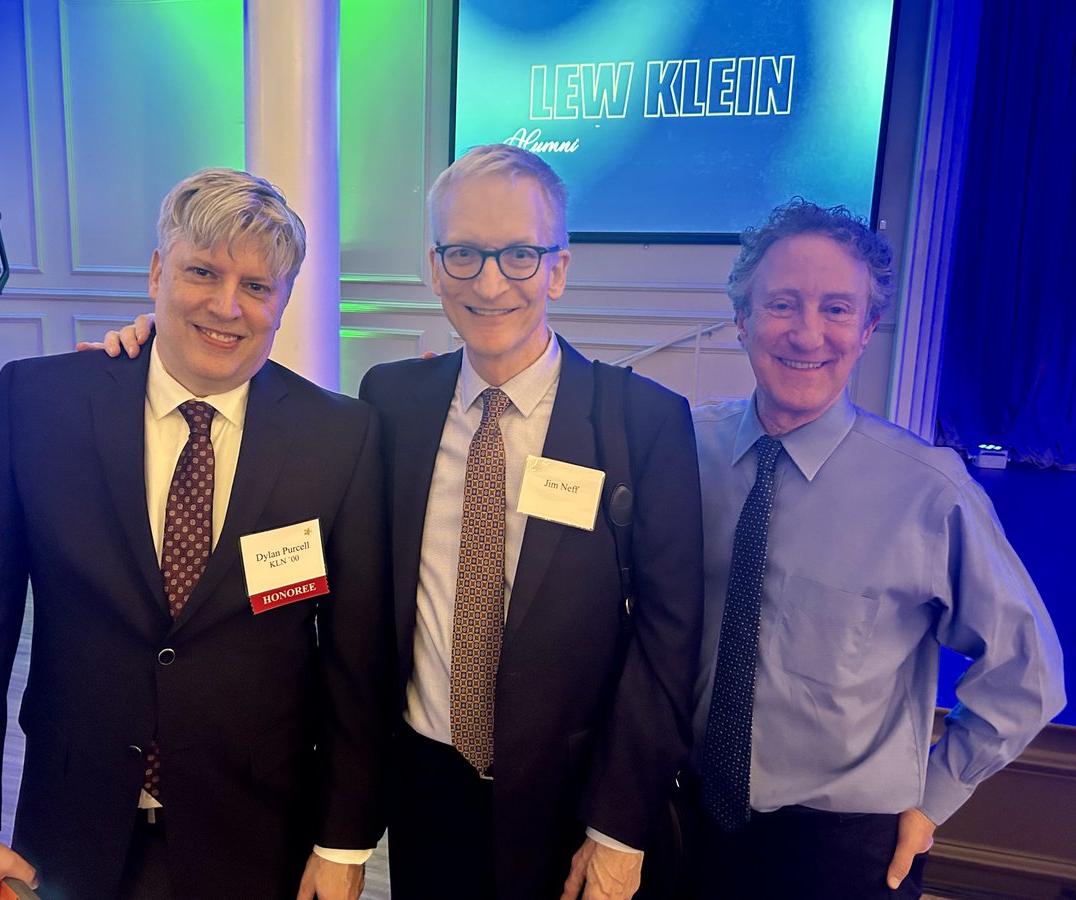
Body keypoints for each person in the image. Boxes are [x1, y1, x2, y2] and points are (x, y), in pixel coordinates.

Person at [100, 145, 704, 899]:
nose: (489, 282)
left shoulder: (641, 422)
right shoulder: (390, 403)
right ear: (433, 264)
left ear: (557, 268)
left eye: (519, 255)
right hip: (424, 790)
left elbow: (669, 639)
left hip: (573, 803)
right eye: (463, 254)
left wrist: (620, 827)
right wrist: (150, 347)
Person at [0, 168, 392, 900]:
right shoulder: (38, 406)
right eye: (202, 272)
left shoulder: (341, 438)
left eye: (258, 287)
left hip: (261, 836)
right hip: (72, 822)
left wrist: (344, 840)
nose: (226, 306)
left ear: (285, 300)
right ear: (157, 271)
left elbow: (356, 665)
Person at [686, 198, 1066, 899]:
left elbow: (1029, 671)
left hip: (844, 847)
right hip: (684, 823)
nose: (807, 333)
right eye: (782, 304)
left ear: (866, 330)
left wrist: (935, 797)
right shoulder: (684, 450)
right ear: (741, 320)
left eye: (836, 309)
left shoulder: (929, 492)